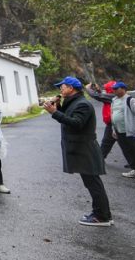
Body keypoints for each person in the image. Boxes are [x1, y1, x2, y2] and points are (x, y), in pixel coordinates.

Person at [43, 77, 112, 226]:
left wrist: (55, 113)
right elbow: (69, 117)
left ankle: (102, 217)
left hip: (85, 148)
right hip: (81, 148)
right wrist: (58, 107)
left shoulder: (83, 104)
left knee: (93, 183)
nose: (60, 89)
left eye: (62, 87)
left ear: (71, 89)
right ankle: (103, 214)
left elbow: (76, 123)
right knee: (92, 183)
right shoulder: (75, 102)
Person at [85, 81, 119, 159]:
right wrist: (98, 90)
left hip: (114, 123)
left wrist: (88, 89)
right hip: (113, 122)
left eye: (107, 88)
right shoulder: (113, 96)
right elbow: (102, 96)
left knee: (107, 141)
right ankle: (99, 158)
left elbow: (99, 96)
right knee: (108, 141)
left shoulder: (114, 97)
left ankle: (99, 158)